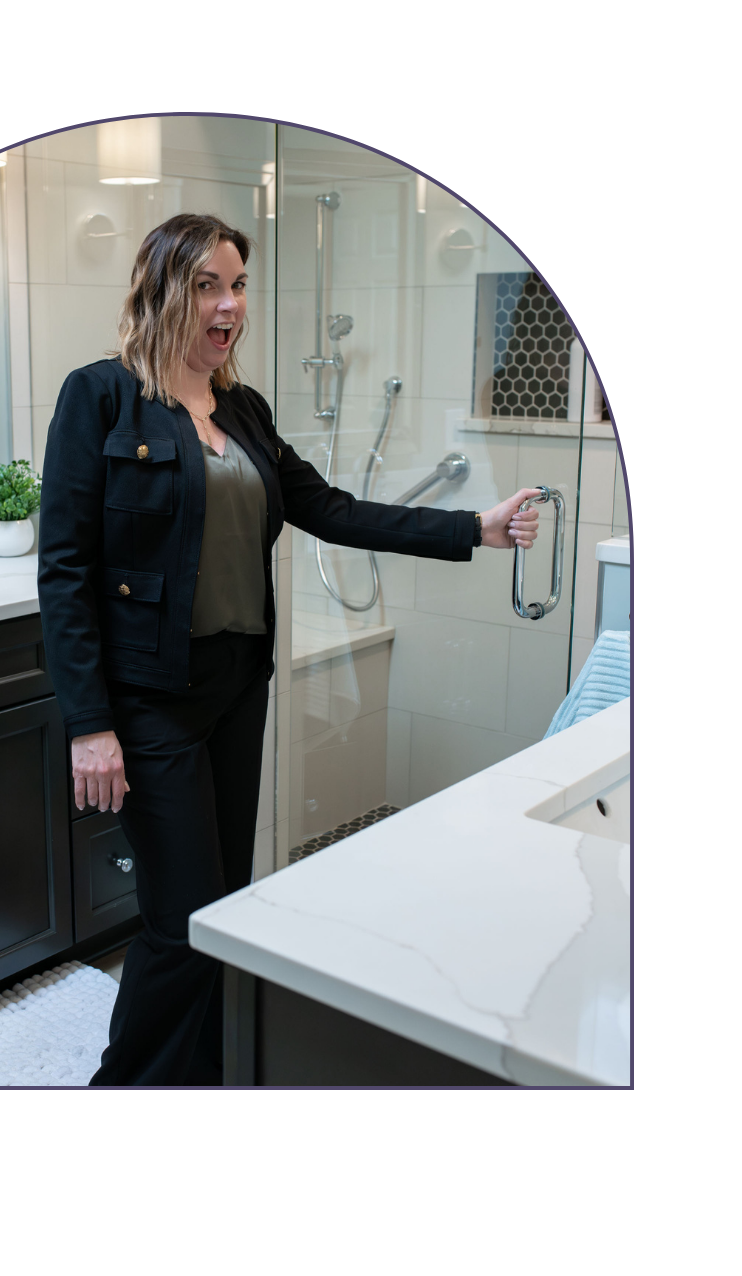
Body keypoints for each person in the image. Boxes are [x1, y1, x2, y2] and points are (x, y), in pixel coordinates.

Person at [37, 213, 541, 1086]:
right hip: (151, 698)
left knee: (220, 908)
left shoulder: (245, 408)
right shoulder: (102, 398)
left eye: (237, 286)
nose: (229, 305)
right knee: (180, 917)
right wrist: (90, 723)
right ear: (162, 291)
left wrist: (475, 528)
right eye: (207, 286)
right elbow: (65, 570)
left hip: (237, 688)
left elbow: (333, 508)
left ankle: (203, 1074)